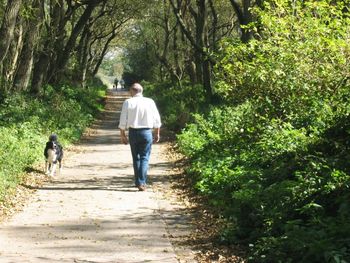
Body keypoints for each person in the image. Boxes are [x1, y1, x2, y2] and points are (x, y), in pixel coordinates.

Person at [118, 83, 161, 191]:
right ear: (141, 91)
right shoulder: (150, 101)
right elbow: (157, 119)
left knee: (136, 158)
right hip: (146, 132)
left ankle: (139, 182)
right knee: (144, 158)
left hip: (133, 132)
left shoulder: (128, 102)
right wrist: (157, 133)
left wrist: (122, 135)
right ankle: (141, 182)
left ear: (132, 91)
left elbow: (123, 120)